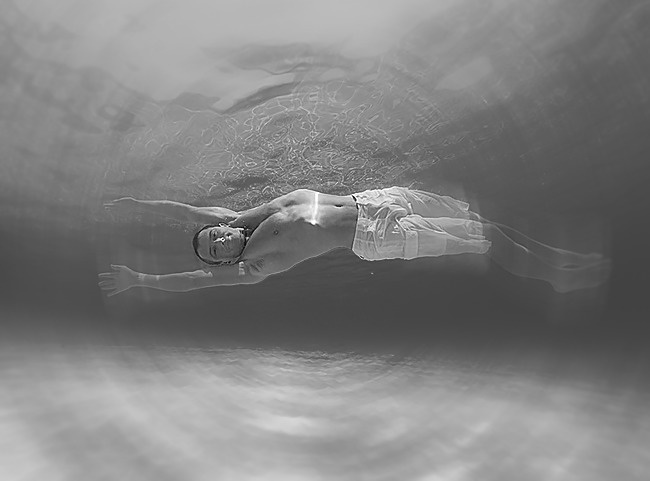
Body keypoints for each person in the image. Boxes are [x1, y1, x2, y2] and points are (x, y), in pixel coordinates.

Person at [99, 186, 610, 296]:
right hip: (379, 235)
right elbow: (196, 280)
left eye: (215, 236)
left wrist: (139, 203)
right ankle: (558, 279)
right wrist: (140, 278)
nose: (221, 239)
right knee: (486, 240)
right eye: (216, 249)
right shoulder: (254, 263)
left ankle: (561, 257)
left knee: (485, 222)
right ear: (224, 259)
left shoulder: (247, 216)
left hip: (379, 199)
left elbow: (188, 211)